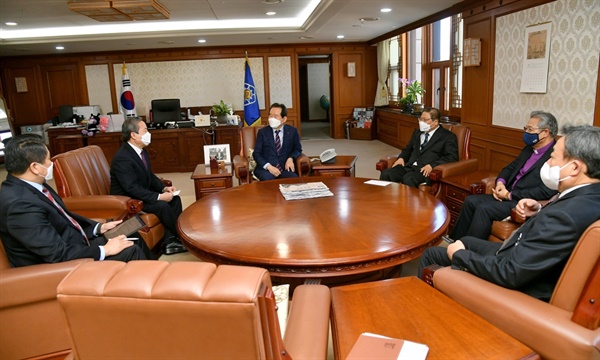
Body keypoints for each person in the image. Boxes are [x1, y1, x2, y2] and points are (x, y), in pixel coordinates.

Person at [419, 124, 600, 301]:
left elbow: (510, 273)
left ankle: (419, 309)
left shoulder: (564, 217)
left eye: (552, 158)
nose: (548, 163)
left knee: (433, 254)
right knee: (465, 240)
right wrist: (539, 209)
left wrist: (460, 255)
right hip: (522, 256)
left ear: (575, 168)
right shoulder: (589, 196)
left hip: (516, 277)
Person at [0, 134, 152, 267]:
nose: (51, 163)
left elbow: (64, 219)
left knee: (129, 234)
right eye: (48, 159)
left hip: (75, 244)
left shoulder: (34, 185)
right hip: (59, 267)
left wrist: (99, 228)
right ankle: (151, 292)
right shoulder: (19, 205)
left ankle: (159, 279)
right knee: (130, 249)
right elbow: (56, 254)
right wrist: (105, 250)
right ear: (35, 167)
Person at [449, 111, 558, 241]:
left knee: (484, 209)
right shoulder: (529, 148)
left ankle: (467, 251)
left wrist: (509, 195)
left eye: (530, 129)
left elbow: (545, 191)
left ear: (545, 133)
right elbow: (510, 168)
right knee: (470, 201)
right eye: (526, 128)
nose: (526, 133)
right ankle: (455, 242)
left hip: (522, 201)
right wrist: (500, 183)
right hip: (507, 193)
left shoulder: (555, 155)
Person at [110, 117, 187, 255]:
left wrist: (164, 188)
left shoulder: (142, 151)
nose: (148, 133)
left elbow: (149, 176)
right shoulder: (123, 157)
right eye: (145, 130)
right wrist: (158, 197)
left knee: (175, 199)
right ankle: (183, 237)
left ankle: (170, 241)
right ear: (133, 135)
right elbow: (131, 188)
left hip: (142, 193)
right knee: (162, 205)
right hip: (131, 201)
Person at [379, 107, 458, 187]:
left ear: (435, 122)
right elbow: (408, 149)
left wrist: (432, 165)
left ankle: (406, 200)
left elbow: (452, 157)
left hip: (425, 170)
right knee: (386, 173)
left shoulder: (447, 136)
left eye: (425, 120)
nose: (421, 122)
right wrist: (401, 158)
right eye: (420, 119)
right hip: (410, 166)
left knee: (409, 179)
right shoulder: (417, 132)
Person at [253, 103, 303, 181]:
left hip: (284, 168)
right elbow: (256, 154)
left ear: (284, 119)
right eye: (270, 116)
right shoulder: (262, 132)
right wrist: (269, 167)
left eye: (275, 116)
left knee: (293, 179)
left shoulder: (292, 131)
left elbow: (298, 149)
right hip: (266, 170)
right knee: (268, 179)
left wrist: (290, 158)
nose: (272, 119)